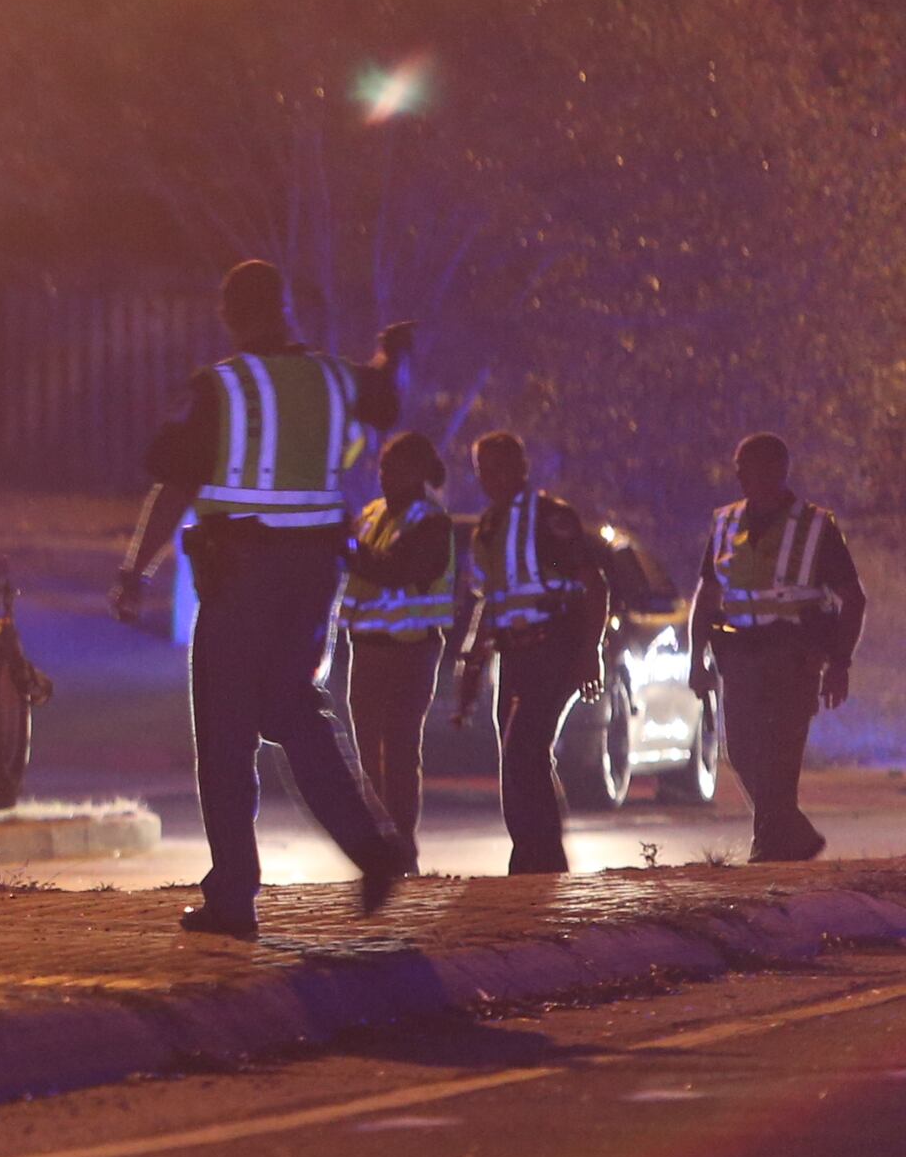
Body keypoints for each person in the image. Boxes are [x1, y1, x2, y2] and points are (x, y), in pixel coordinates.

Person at [110, 259, 416, 939]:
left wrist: (138, 571)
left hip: (242, 577)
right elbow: (387, 399)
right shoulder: (337, 379)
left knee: (225, 730)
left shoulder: (222, 388)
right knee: (293, 709)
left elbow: (173, 484)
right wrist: (391, 354)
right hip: (312, 580)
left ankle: (233, 900)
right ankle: (375, 848)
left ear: (231, 313)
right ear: (285, 309)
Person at [691, 433, 868, 862]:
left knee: (780, 756)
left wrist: (839, 663)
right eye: (738, 467)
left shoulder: (815, 526)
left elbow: (853, 599)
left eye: (746, 466)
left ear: (776, 469)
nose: (738, 475)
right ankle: (792, 835)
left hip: (795, 656)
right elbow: (707, 595)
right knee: (742, 752)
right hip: (738, 657)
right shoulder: (726, 522)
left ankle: (769, 848)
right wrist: (696, 659)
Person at [445, 432, 610, 876]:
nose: (491, 479)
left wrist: (589, 653)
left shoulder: (550, 518)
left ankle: (544, 861)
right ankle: (529, 857)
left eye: (500, 467)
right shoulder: (488, 526)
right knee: (515, 756)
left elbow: (593, 585)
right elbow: (489, 602)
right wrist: (471, 666)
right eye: (483, 470)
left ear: (522, 467)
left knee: (525, 750)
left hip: (554, 647)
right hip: (513, 656)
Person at [340, 431, 458, 844]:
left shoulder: (430, 521)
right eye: (383, 464)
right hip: (367, 647)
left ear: (416, 471)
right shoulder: (372, 513)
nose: (383, 472)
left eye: (393, 465)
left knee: (400, 749)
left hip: (410, 650)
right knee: (368, 751)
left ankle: (400, 843)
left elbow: (396, 569)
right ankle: (377, 842)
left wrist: (347, 544)